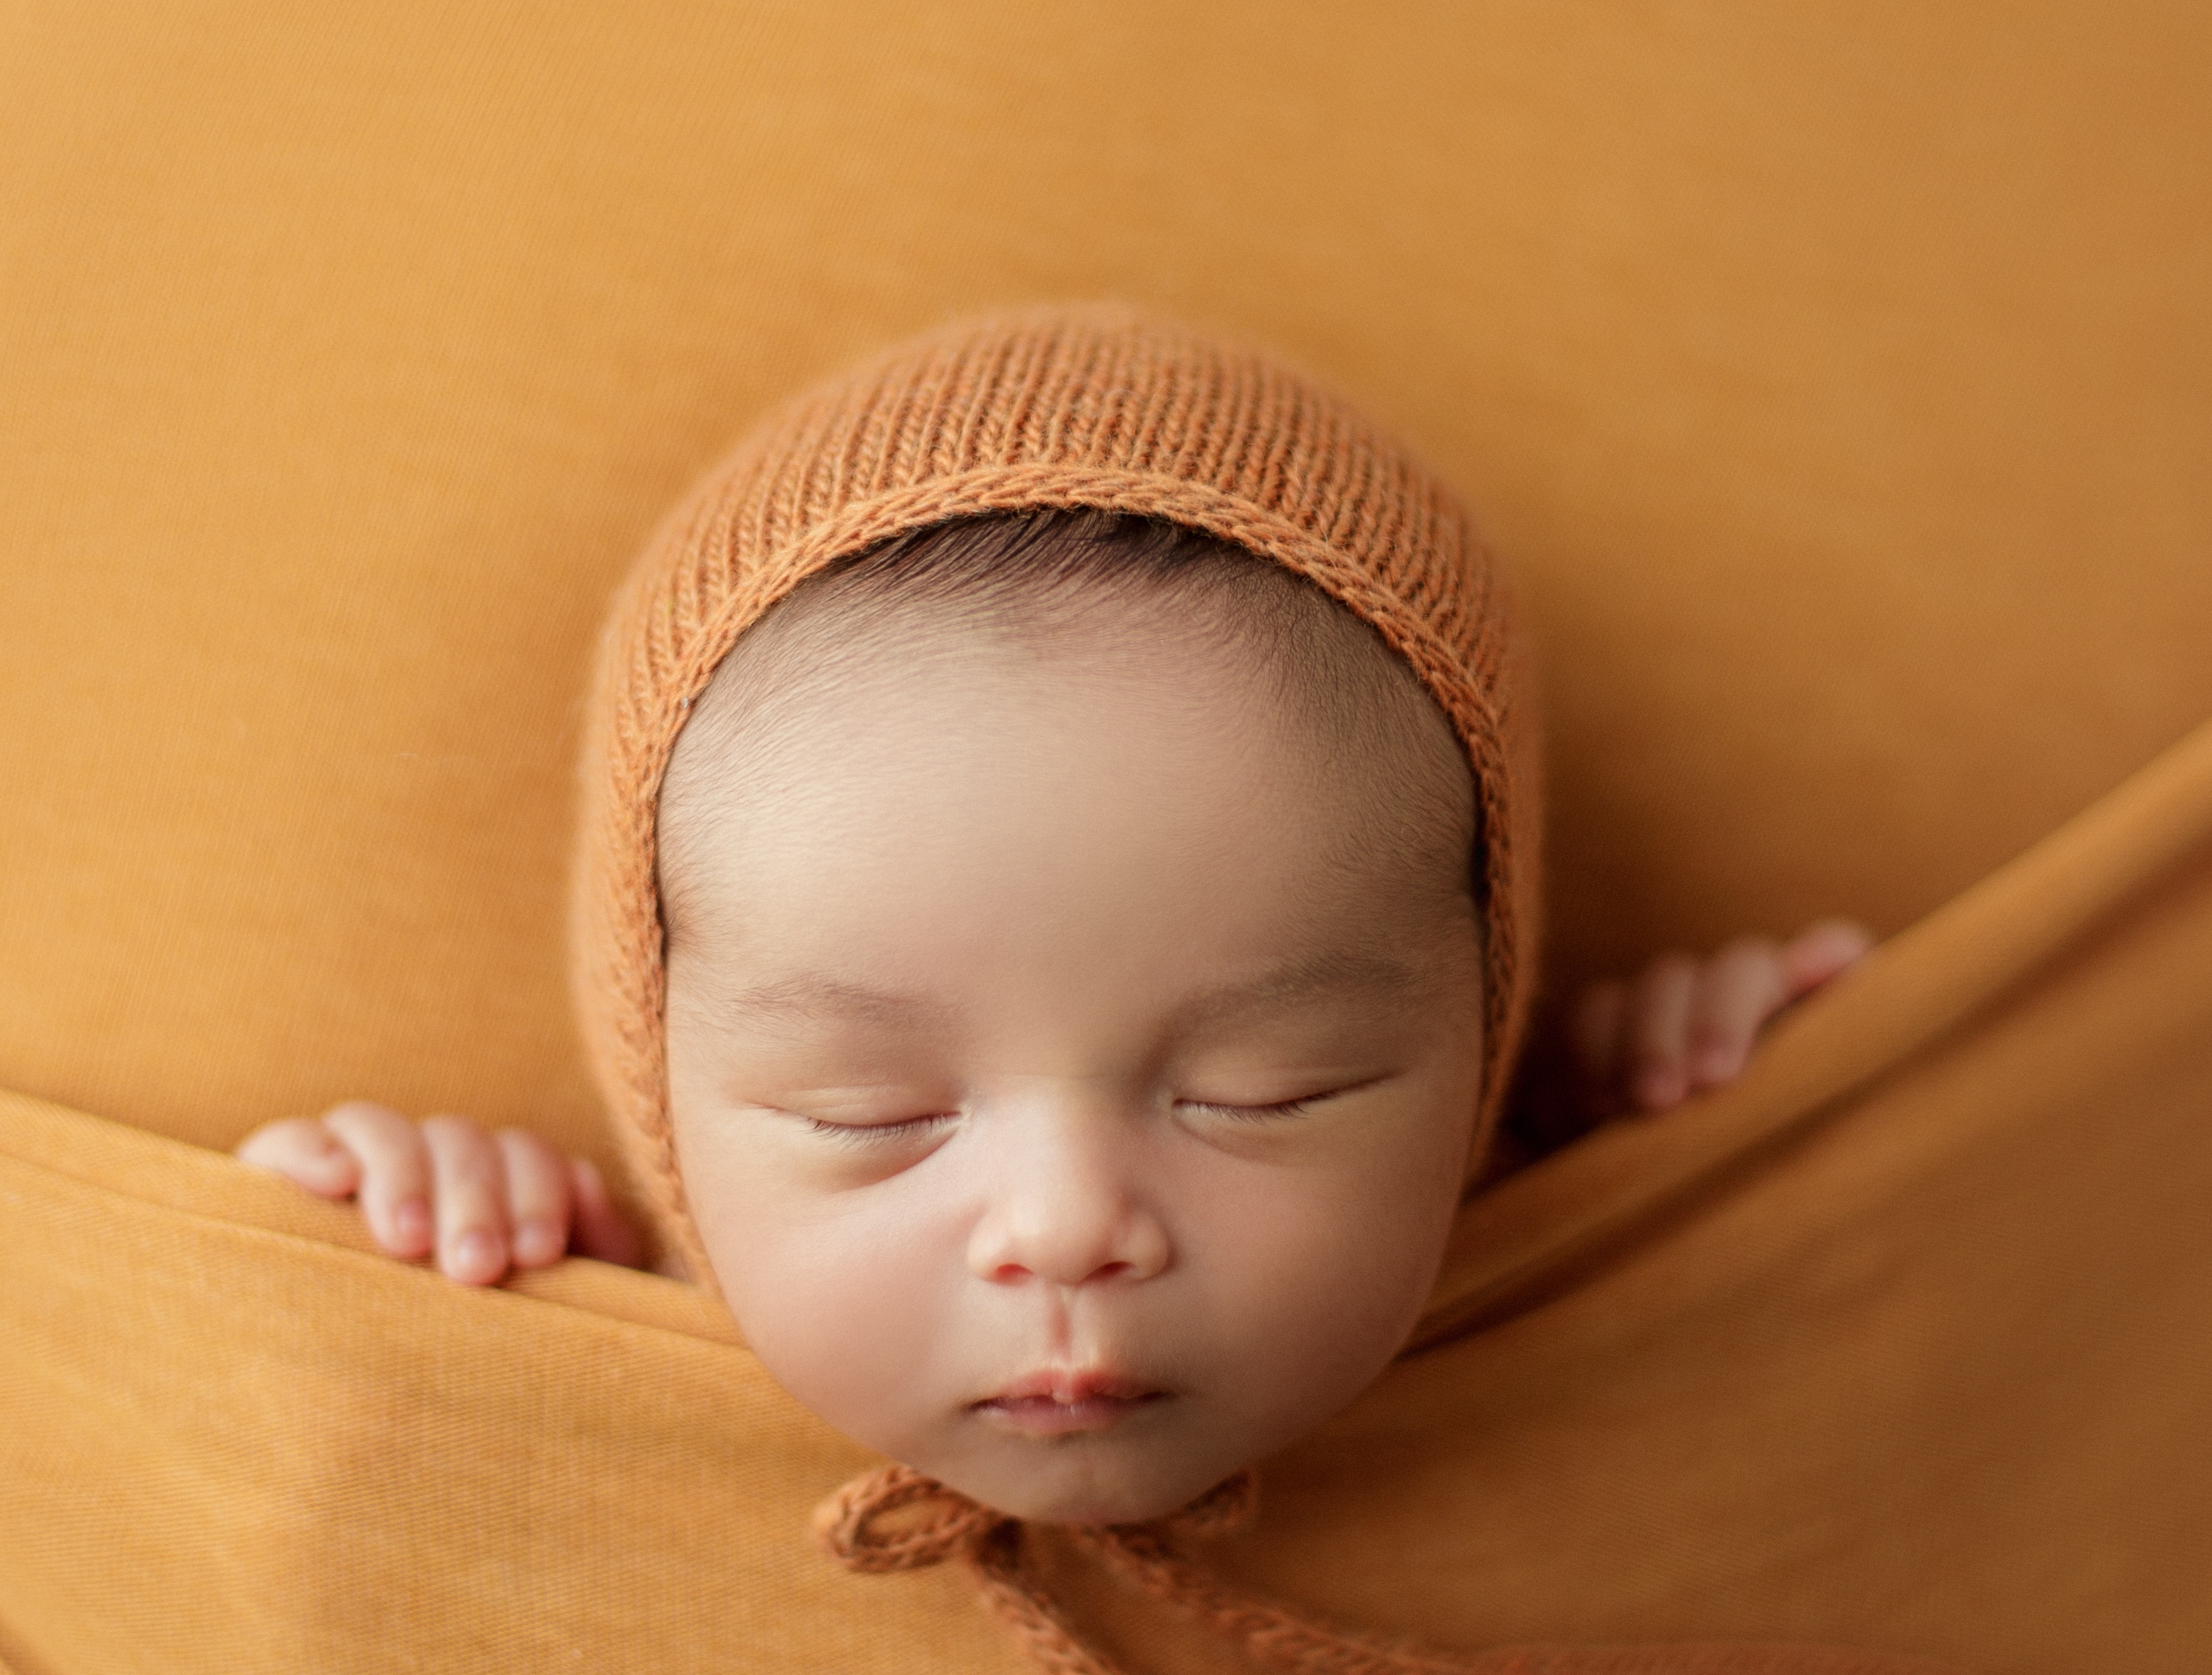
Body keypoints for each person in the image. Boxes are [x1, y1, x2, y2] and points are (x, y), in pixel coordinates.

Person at [240, 311, 1870, 1529]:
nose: (1068, 1224)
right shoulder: (618, 1305)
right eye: (867, 1111)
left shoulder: (1536, 1192)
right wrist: (489, 1234)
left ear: (1475, 1029)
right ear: (663, 1076)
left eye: (1269, 1085)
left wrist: (1631, 1081)